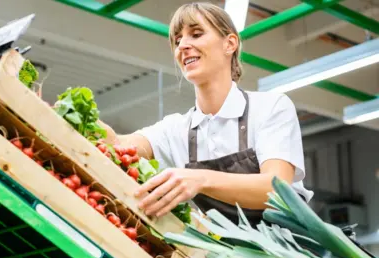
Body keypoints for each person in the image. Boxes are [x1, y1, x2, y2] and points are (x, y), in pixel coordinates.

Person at [99, 2, 313, 225]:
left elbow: (277, 188)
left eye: (196, 34)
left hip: (291, 252)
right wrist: (76, 121)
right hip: (230, 256)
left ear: (230, 43)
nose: (182, 45)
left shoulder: (270, 107)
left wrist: (201, 179)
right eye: (177, 40)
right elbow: (119, 146)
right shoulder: (176, 130)